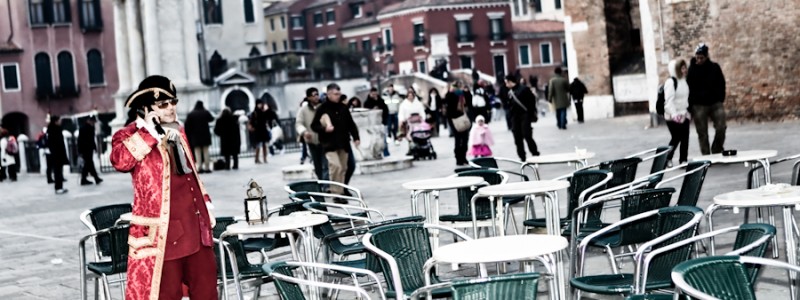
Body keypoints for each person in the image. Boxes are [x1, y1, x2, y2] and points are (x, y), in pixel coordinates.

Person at [111, 75, 217, 300]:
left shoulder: (178, 130)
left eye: (173, 102)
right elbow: (120, 161)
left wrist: (206, 202)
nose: (171, 108)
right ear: (146, 109)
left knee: (207, 292)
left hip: (196, 228)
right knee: (166, 294)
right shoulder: (129, 135)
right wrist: (149, 132)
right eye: (163, 104)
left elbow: (192, 173)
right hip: (163, 235)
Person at [311, 83, 360, 196]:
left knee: (343, 168)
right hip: (329, 144)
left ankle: (341, 192)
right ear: (328, 94)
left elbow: (351, 124)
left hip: (343, 143)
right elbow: (314, 125)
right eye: (335, 94)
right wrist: (324, 129)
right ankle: (335, 192)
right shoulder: (322, 109)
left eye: (339, 93)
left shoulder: (343, 108)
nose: (338, 96)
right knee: (335, 167)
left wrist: (356, 137)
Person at [687, 43, 727, 155]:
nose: (699, 60)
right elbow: (688, 87)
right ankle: (706, 154)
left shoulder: (714, 67)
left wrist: (720, 98)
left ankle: (717, 149)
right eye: (697, 57)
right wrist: (691, 106)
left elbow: (721, 83)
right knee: (702, 133)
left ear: (706, 56)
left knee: (721, 127)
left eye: (701, 57)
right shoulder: (692, 70)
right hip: (698, 105)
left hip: (715, 103)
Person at [296, 88, 329, 180]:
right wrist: (304, 132)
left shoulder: (323, 107)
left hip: (324, 140)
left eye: (317, 94)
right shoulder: (303, 110)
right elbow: (299, 123)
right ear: (308, 97)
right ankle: (321, 182)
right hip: (312, 142)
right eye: (313, 95)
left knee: (326, 164)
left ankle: (326, 186)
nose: (316, 97)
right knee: (317, 165)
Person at [505, 74, 540, 161]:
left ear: (510, 81)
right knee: (517, 137)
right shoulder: (509, 92)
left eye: (506, 82)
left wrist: (530, 113)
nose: (505, 84)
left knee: (527, 134)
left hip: (525, 115)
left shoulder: (524, 89)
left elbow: (532, 101)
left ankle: (535, 153)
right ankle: (522, 156)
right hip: (515, 117)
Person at [664, 59, 692, 165]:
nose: (685, 70)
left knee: (685, 138)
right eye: (682, 68)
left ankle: (683, 160)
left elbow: (685, 98)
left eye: (685, 68)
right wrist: (674, 114)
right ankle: (667, 158)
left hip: (684, 114)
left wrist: (687, 111)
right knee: (676, 137)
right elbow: (669, 101)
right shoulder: (671, 82)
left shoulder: (683, 81)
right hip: (672, 116)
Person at [444, 81, 470, 166]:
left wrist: (465, 92)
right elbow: (447, 106)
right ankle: (459, 159)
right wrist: (449, 91)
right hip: (454, 120)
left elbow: (469, 102)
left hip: (463, 118)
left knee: (465, 139)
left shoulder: (463, 94)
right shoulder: (450, 95)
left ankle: (464, 157)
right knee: (458, 140)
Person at [184, 101, 214, 173]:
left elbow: (187, 125)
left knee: (197, 152)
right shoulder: (205, 112)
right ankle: (207, 167)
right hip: (205, 135)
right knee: (206, 151)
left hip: (195, 136)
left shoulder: (191, 114)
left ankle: (199, 167)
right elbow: (211, 119)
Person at [364, 87, 390, 157]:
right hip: (372, 124)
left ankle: (386, 152)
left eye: (375, 94)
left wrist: (385, 120)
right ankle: (375, 153)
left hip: (381, 122)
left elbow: (386, 110)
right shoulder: (367, 102)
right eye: (373, 94)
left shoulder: (381, 100)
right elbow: (366, 112)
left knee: (383, 138)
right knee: (374, 139)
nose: (374, 95)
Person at [47, 115, 69, 194]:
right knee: (57, 171)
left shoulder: (56, 129)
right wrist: (56, 152)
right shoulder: (53, 131)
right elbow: (53, 143)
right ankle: (58, 187)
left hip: (58, 153)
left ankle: (60, 186)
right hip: (56, 154)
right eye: (59, 120)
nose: (61, 121)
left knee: (59, 170)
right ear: (55, 121)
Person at [78, 116, 103, 185]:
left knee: (87, 164)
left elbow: (92, 140)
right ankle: (96, 178)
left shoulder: (91, 128)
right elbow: (80, 140)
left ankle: (83, 179)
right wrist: (80, 151)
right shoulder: (83, 128)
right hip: (85, 149)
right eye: (93, 121)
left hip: (89, 149)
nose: (93, 123)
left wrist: (94, 147)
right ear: (89, 121)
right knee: (90, 164)